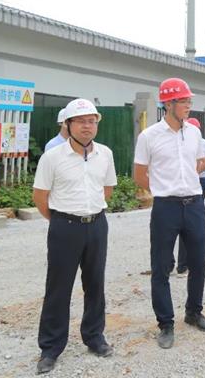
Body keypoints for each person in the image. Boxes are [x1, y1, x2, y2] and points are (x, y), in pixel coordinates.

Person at [32, 98, 117, 374]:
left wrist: (90, 213)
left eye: (91, 121)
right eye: (81, 121)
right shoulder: (52, 157)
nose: (87, 126)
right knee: (58, 287)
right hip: (64, 226)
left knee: (95, 284)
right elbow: (40, 196)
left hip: (97, 224)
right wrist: (61, 220)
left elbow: (107, 190)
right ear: (67, 125)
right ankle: (50, 347)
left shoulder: (105, 154)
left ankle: (94, 337)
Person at [133, 78, 205, 350]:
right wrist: (162, 189)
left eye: (190, 101)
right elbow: (139, 174)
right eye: (184, 101)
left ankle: (194, 312)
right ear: (168, 104)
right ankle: (165, 323)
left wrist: (190, 175)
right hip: (165, 207)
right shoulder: (149, 136)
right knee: (161, 266)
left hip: (194, 205)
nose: (189, 106)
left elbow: (198, 163)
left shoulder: (194, 133)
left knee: (199, 261)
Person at [173, 117, 205, 273]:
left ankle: (183, 264)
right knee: (197, 216)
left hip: (194, 183)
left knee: (185, 220)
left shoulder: (188, 142)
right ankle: (200, 258)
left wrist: (193, 173)